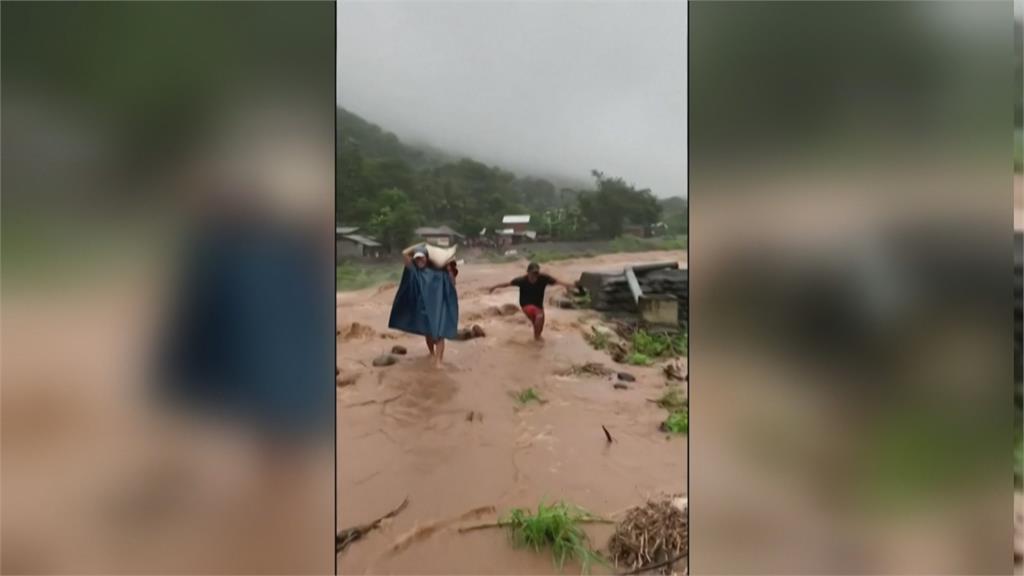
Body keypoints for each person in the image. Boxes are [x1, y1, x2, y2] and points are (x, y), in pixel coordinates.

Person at [388, 244, 459, 368]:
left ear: (427, 258)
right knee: (428, 333)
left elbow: (452, 284)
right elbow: (404, 253)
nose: (419, 260)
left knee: (440, 334)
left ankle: (439, 362)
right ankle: (432, 353)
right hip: (424, 308)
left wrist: (448, 269)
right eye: (417, 258)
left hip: (438, 308)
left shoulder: (438, 272)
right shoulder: (415, 272)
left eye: (421, 258)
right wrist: (420, 244)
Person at [489, 262, 573, 341]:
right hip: (526, 305)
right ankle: (536, 340)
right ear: (528, 272)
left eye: (536, 273)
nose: (534, 275)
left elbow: (558, 282)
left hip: (539, 305)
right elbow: (507, 284)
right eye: (532, 273)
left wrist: (570, 285)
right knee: (539, 316)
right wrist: (494, 287)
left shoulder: (544, 278)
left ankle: (536, 341)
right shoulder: (521, 280)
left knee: (539, 327)